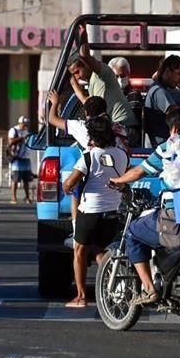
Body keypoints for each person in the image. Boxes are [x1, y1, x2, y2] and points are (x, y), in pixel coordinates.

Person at [109, 107, 180, 305]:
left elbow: (140, 172)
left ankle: (150, 290)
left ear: (174, 129)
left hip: (177, 212)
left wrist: (118, 180)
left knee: (134, 232)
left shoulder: (170, 146)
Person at [60, 117, 129, 309]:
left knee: (80, 250)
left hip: (90, 212)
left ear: (92, 136)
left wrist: (67, 186)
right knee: (100, 249)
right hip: (113, 211)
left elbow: (70, 183)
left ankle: (81, 296)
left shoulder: (89, 157)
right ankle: (118, 287)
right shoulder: (122, 155)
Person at [66, 27, 137, 129]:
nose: (77, 76)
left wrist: (83, 34)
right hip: (112, 127)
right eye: (74, 74)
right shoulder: (91, 83)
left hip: (124, 126)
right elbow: (86, 102)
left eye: (77, 72)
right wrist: (72, 81)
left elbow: (85, 55)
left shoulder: (103, 73)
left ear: (86, 64)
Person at [46, 91, 127, 151]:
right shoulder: (119, 128)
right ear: (105, 110)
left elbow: (52, 119)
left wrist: (55, 103)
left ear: (86, 113)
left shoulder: (81, 127)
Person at [8, 115, 33, 205]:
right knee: (16, 178)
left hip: (26, 157)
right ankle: (13, 197)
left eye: (27, 124)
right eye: (24, 124)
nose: (26, 126)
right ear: (20, 123)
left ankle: (27, 197)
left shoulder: (26, 131)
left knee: (26, 179)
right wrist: (21, 138)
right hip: (17, 157)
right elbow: (10, 141)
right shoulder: (14, 130)